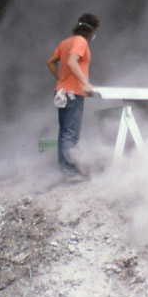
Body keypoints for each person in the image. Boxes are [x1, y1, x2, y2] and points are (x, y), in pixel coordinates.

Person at [47, 13, 100, 179]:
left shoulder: (65, 42)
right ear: (91, 30)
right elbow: (71, 61)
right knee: (71, 134)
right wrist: (85, 83)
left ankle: (64, 169)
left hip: (62, 92)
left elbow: (50, 61)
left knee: (64, 133)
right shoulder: (80, 41)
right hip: (73, 94)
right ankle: (69, 172)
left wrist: (61, 79)